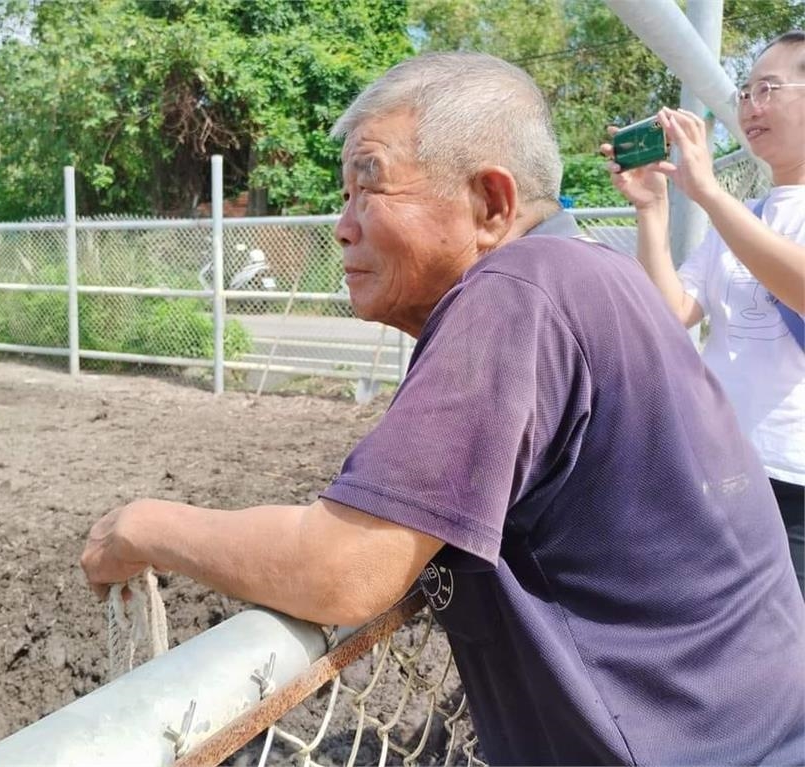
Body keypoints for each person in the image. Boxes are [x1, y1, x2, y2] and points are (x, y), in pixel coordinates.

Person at [82, 52, 805, 765]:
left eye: (370, 188)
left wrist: (142, 526)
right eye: (343, 195)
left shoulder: (514, 291)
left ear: (491, 205)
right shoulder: (594, 272)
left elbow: (344, 566)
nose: (342, 224)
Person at [603, 31, 805, 595]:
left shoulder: (730, 212)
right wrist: (653, 208)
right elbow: (670, 313)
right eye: (746, 91)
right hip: (721, 465)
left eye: (769, 88)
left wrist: (711, 194)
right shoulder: (748, 216)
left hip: (796, 484)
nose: (750, 105)